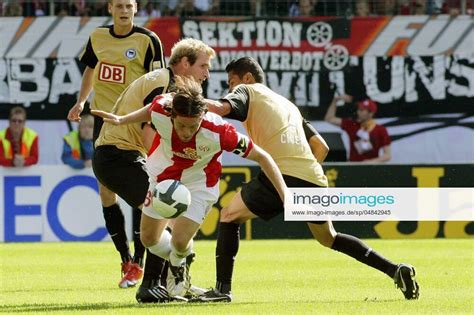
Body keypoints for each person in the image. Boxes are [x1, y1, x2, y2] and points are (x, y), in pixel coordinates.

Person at [190, 57, 419, 302]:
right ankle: (395, 270)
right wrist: (302, 179)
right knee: (329, 238)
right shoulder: (289, 105)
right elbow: (321, 147)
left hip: (282, 172)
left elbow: (220, 108)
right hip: (313, 176)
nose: (230, 90)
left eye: (231, 82)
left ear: (247, 78)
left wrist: (182, 99)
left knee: (228, 215)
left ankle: (222, 290)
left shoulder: (248, 90)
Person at [91, 76, 288, 301]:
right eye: (181, 125)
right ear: (172, 115)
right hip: (162, 179)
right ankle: (182, 261)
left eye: (192, 126)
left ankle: (178, 265)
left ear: (202, 117)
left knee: (179, 240)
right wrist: (122, 119)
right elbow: (150, 109)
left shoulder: (220, 131)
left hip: (200, 185)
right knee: (148, 239)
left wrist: (285, 194)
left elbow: (263, 157)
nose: (186, 132)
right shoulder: (163, 108)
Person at [91, 38, 217, 302]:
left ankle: (167, 282)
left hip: (116, 156)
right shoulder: (167, 84)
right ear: (184, 63)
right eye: (203, 66)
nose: (206, 74)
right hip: (119, 157)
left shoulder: (162, 79)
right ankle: (153, 284)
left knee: (166, 217)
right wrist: (165, 172)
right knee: (166, 212)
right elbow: (149, 127)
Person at [67, 0, 166, 289]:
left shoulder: (148, 40)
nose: (124, 10)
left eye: (129, 5)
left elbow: (159, 83)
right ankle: (126, 259)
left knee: (141, 188)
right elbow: (91, 69)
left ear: (136, 8)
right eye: (119, 5)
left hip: (134, 122)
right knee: (106, 193)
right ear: (110, 8)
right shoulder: (97, 36)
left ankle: (140, 257)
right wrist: (82, 101)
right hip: (102, 121)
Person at [325, 94, 391, 163]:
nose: (358, 111)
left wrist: (370, 162)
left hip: (372, 168)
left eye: (362, 110)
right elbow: (329, 118)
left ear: (371, 113)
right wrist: (335, 101)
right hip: (353, 165)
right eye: (359, 109)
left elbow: (387, 155)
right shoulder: (352, 125)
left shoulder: (380, 130)